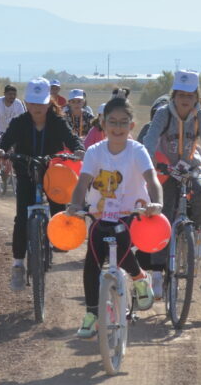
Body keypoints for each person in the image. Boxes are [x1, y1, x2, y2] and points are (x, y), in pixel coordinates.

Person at [67, 94, 163, 337]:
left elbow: (152, 180)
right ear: (103, 123)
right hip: (100, 213)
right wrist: (75, 205)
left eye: (123, 122)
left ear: (131, 125)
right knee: (92, 259)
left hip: (132, 213)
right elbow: (83, 182)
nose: (117, 127)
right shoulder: (94, 152)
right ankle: (91, 313)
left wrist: (157, 203)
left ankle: (139, 277)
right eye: (113, 121)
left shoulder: (137, 150)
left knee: (120, 242)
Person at [141, 70, 201, 296]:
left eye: (190, 95)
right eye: (181, 94)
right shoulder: (164, 113)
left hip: (191, 166)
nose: (185, 99)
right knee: (164, 217)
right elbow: (151, 138)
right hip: (167, 171)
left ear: (196, 97)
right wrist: (149, 160)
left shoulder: (200, 116)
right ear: (174, 95)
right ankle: (156, 274)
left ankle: (198, 233)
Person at [0, 78, 84, 291]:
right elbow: (5, 140)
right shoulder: (20, 122)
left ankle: (55, 238)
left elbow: (71, 139)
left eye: (41, 103)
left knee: (57, 205)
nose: (37, 108)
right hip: (25, 170)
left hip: (52, 170)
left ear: (48, 103)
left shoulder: (57, 121)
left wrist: (78, 149)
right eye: (33, 103)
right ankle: (18, 264)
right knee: (21, 218)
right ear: (26, 103)